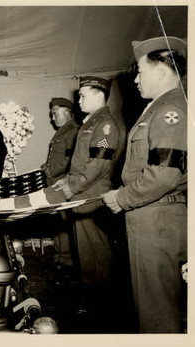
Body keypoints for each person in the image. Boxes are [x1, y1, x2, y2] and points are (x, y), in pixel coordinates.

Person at [103, 36, 187, 333]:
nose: (136, 79)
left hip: (157, 223)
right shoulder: (158, 107)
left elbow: (164, 174)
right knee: (150, 308)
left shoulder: (170, 110)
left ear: (162, 70)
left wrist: (122, 198)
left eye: (140, 70)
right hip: (150, 218)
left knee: (158, 315)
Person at [53, 76, 123, 305]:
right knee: (83, 250)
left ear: (98, 94)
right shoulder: (91, 122)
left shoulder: (105, 124)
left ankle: (98, 301)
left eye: (83, 96)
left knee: (94, 250)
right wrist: (66, 182)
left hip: (92, 195)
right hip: (82, 192)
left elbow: (99, 164)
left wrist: (72, 186)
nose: (79, 100)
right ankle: (88, 293)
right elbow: (80, 162)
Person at [41, 97, 79, 268]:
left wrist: (51, 170)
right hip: (54, 182)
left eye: (55, 114)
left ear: (66, 113)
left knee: (64, 220)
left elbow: (70, 159)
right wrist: (46, 166)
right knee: (58, 219)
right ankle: (60, 254)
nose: (53, 118)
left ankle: (67, 258)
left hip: (62, 182)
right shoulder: (63, 130)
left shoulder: (72, 131)